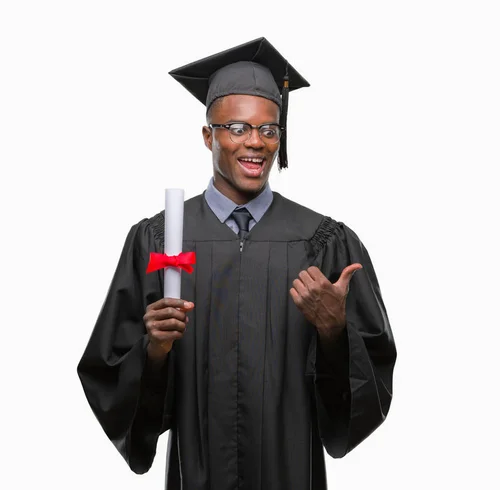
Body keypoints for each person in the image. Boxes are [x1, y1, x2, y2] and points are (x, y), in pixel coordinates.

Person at [77, 37, 397, 490]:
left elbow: (368, 391)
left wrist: (334, 333)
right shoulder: (157, 239)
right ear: (208, 135)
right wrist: (154, 351)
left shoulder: (324, 242)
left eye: (269, 130)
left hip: (291, 474)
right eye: (237, 128)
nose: (256, 143)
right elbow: (108, 374)